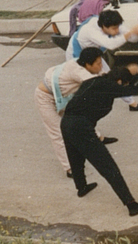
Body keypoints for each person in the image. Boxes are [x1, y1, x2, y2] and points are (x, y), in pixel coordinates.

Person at [60, 58, 138, 216]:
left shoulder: (100, 81)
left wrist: (136, 73)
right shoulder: (109, 87)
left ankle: (82, 188)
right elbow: (136, 90)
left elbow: (125, 86)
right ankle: (131, 205)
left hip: (67, 122)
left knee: (76, 158)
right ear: (119, 81)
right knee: (108, 166)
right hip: (80, 127)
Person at [35, 47, 107, 178]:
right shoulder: (79, 71)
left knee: (81, 118)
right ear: (88, 64)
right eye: (98, 63)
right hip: (46, 98)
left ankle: (98, 138)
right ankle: (70, 168)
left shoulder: (86, 65)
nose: (101, 66)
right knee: (59, 132)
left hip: (64, 95)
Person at [66, 9, 138, 112]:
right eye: (114, 28)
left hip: (94, 54)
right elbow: (111, 44)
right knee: (85, 84)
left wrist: (137, 33)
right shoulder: (90, 30)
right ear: (104, 26)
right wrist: (130, 32)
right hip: (76, 54)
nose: (117, 31)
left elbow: (133, 39)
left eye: (118, 27)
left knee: (111, 77)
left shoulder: (112, 23)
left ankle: (132, 104)